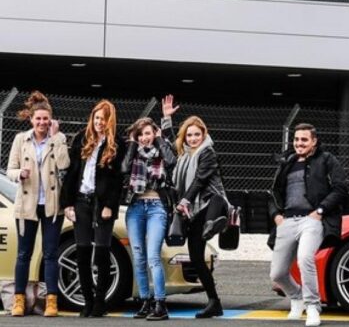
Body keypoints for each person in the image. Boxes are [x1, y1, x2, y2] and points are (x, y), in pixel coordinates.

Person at [267, 123, 349, 327]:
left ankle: (313, 306)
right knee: (276, 273)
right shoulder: (287, 162)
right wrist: (276, 215)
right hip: (286, 221)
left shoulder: (327, 160)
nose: (299, 143)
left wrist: (320, 211)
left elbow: (341, 188)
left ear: (314, 141)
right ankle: (297, 297)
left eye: (304, 139)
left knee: (305, 259)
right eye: (296, 139)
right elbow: (273, 193)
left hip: (312, 220)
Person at [161, 95, 229, 319]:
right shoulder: (183, 154)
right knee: (197, 257)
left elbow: (200, 180)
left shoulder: (207, 151)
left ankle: (215, 224)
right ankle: (214, 302)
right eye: (189, 135)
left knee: (212, 212)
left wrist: (184, 201)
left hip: (211, 202)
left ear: (204, 134)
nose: (192, 138)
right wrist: (166, 119)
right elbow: (171, 144)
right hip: (193, 210)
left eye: (196, 134)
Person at [6, 92, 70, 317]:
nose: (42, 123)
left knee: (50, 253)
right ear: (31, 119)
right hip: (27, 205)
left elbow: (64, 165)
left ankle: (51, 300)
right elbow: (10, 168)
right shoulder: (20, 140)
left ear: (51, 120)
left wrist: (56, 137)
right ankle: (19, 300)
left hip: (52, 206)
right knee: (24, 254)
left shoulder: (59, 138)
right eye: (38, 119)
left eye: (46, 119)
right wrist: (19, 174)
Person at [61, 99, 125, 318]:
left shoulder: (117, 144)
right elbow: (70, 174)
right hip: (81, 202)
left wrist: (110, 206)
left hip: (102, 205)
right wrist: (67, 204)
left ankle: (100, 301)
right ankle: (87, 301)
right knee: (82, 253)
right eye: (96, 118)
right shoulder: (81, 139)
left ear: (110, 121)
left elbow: (117, 180)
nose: (99, 123)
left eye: (103, 119)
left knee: (102, 254)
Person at [121, 117, 177, 321]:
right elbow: (124, 169)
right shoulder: (132, 150)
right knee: (138, 256)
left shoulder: (163, 150)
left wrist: (161, 140)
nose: (145, 138)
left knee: (153, 255)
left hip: (157, 208)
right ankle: (145, 302)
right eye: (141, 134)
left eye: (148, 133)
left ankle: (160, 304)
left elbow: (172, 162)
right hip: (135, 207)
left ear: (154, 134)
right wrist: (133, 144)